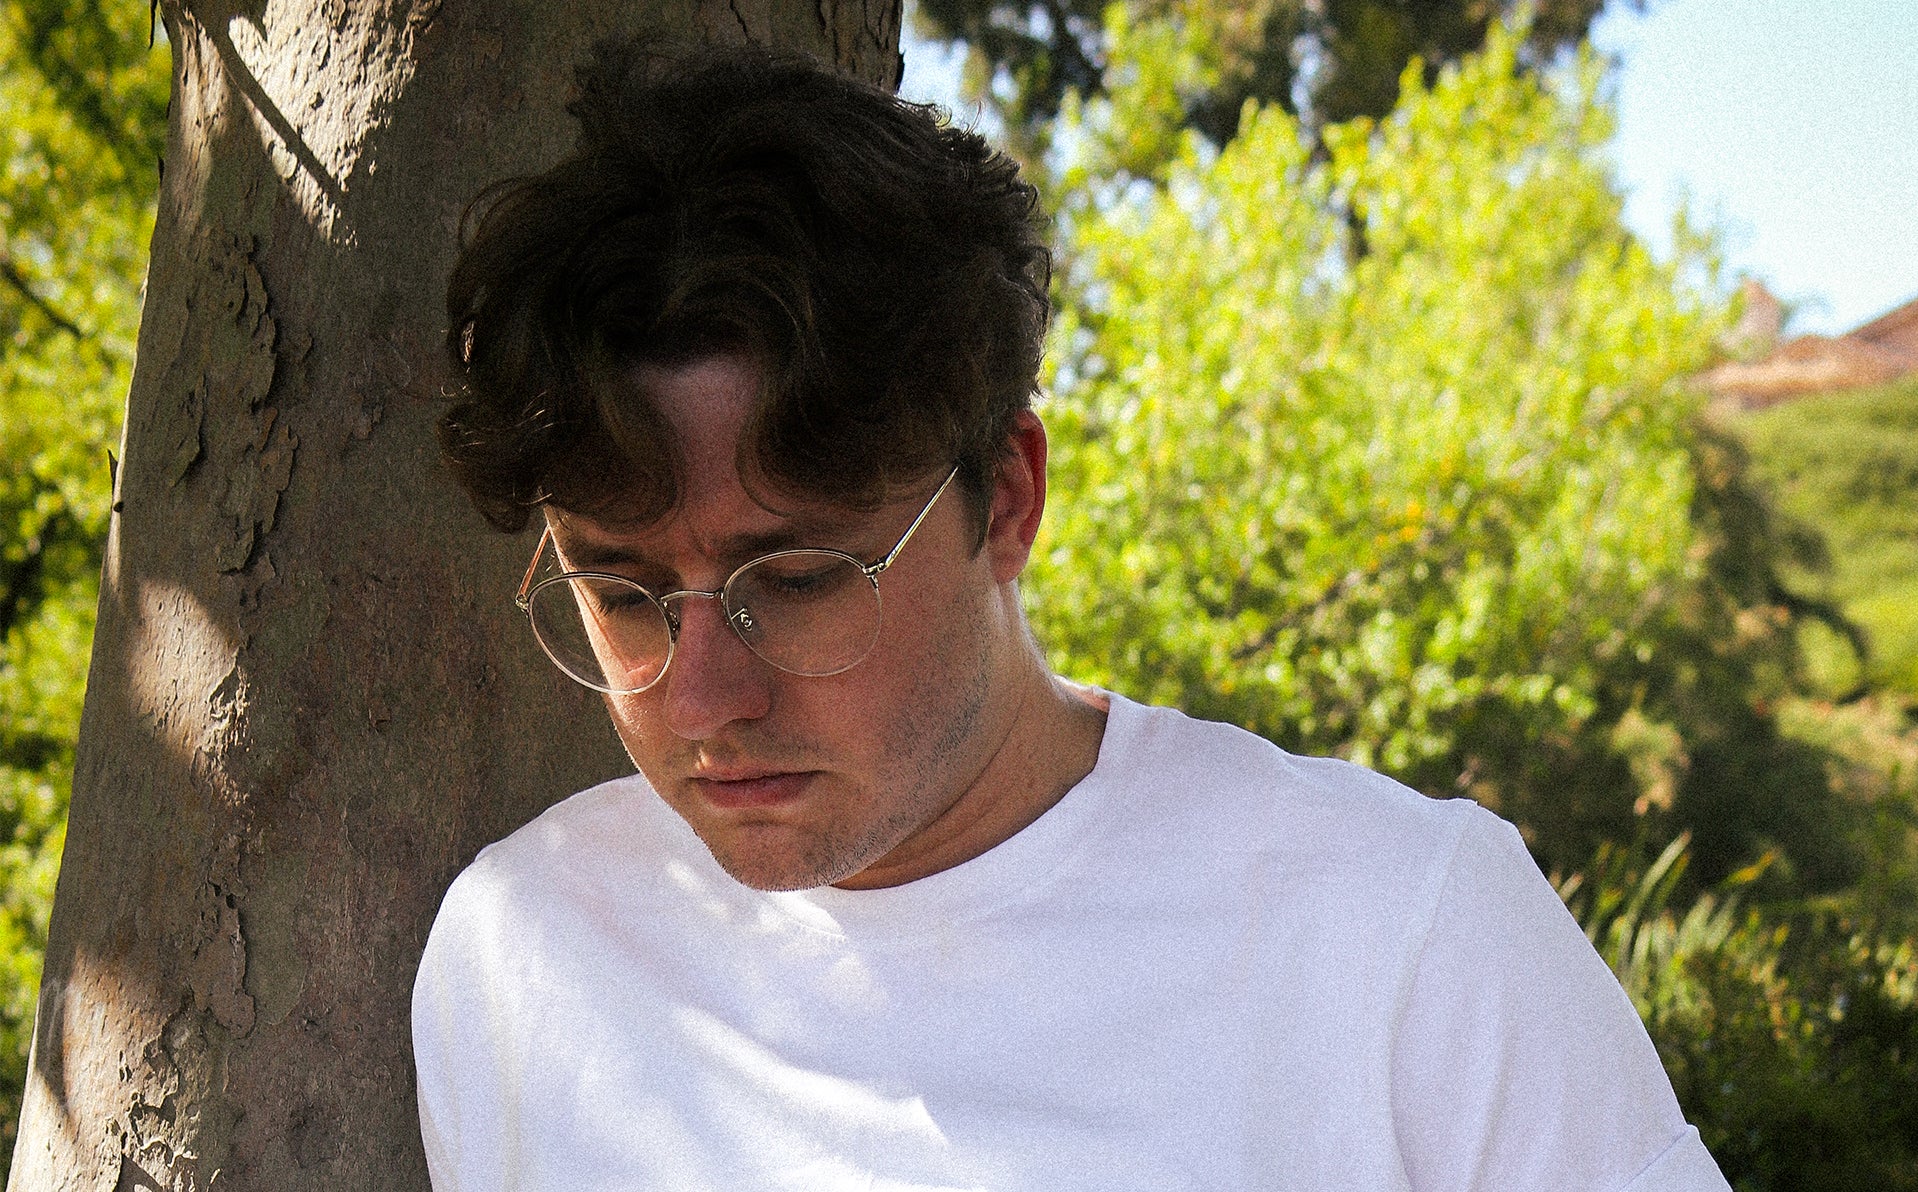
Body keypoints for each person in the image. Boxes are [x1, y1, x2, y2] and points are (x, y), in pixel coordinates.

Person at [411, 43, 1732, 1192]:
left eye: (797, 581)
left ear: (1005, 502)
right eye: (623, 594)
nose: (700, 698)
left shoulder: (1398, 937)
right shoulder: (519, 953)